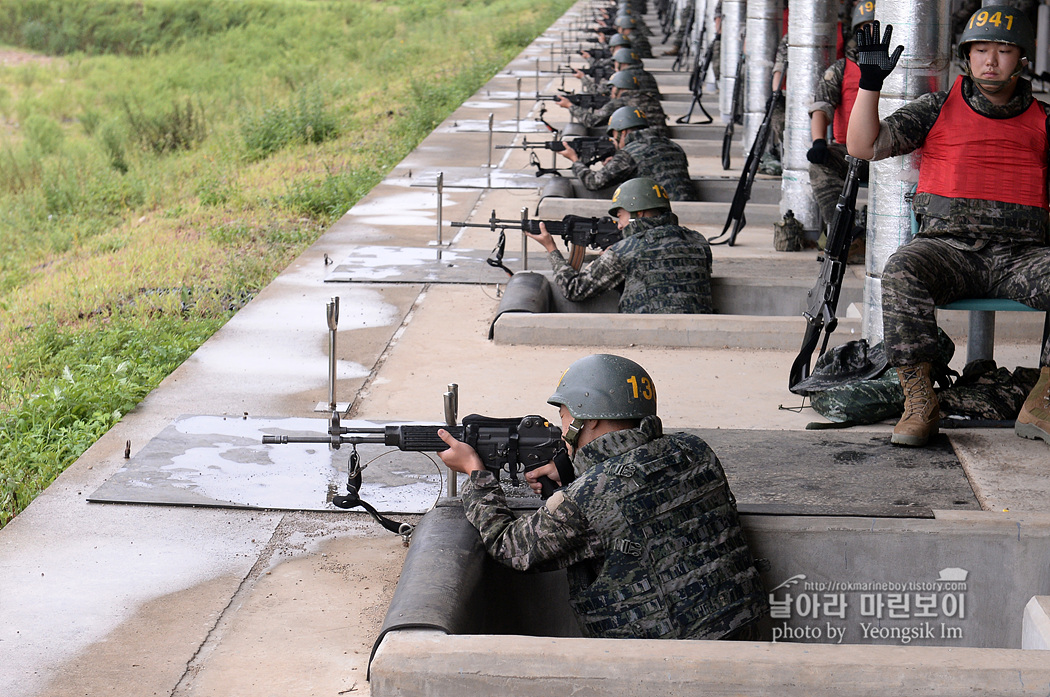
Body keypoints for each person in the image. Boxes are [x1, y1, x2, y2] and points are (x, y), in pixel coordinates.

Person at [437, 353, 770, 640]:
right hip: (745, 633)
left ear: (589, 417)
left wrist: (474, 472)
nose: (561, 423)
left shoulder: (589, 497)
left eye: (564, 414)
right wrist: (575, 470)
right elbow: (639, 490)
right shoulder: (693, 449)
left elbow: (510, 546)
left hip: (665, 664)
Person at [846, 9, 1050, 446]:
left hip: (1024, 257)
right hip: (950, 251)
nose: (990, 60)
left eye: (1003, 50)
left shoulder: (1045, 120)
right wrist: (870, 85)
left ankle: (1044, 400)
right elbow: (864, 146)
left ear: (1023, 59)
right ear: (966, 56)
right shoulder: (937, 108)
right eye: (980, 49)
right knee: (903, 269)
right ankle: (920, 402)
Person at [532, 177, 712, 313]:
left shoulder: (626, 249)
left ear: (638, 213)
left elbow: (575, 289)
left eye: (620, 215)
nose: (619, 224)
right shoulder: (698, 240)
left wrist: (551, 249)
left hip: (646, 333)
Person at [806, 1, 875, 258]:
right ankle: (842, 232)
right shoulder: (841, 69)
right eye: (866, 28)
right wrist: (818, 143)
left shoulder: (900, 67)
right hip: (851, 151)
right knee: (819, 165)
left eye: (877, 27)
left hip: (892, 152)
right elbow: (821, 107)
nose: (872, 33)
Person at [558, 106, 697, 200]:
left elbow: (594, 182)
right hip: (689, 205)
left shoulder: (629, 153)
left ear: (622, 132)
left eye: (614, 136)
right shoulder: (674, 146)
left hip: (661, 211)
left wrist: (575, 161)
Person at [557, 69, 670, 137]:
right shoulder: (651, 99)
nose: (610, 92)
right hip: (662, 141)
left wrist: (569, 105)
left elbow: (591, 120)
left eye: (612, 88)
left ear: (618, 88)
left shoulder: (620, 102)